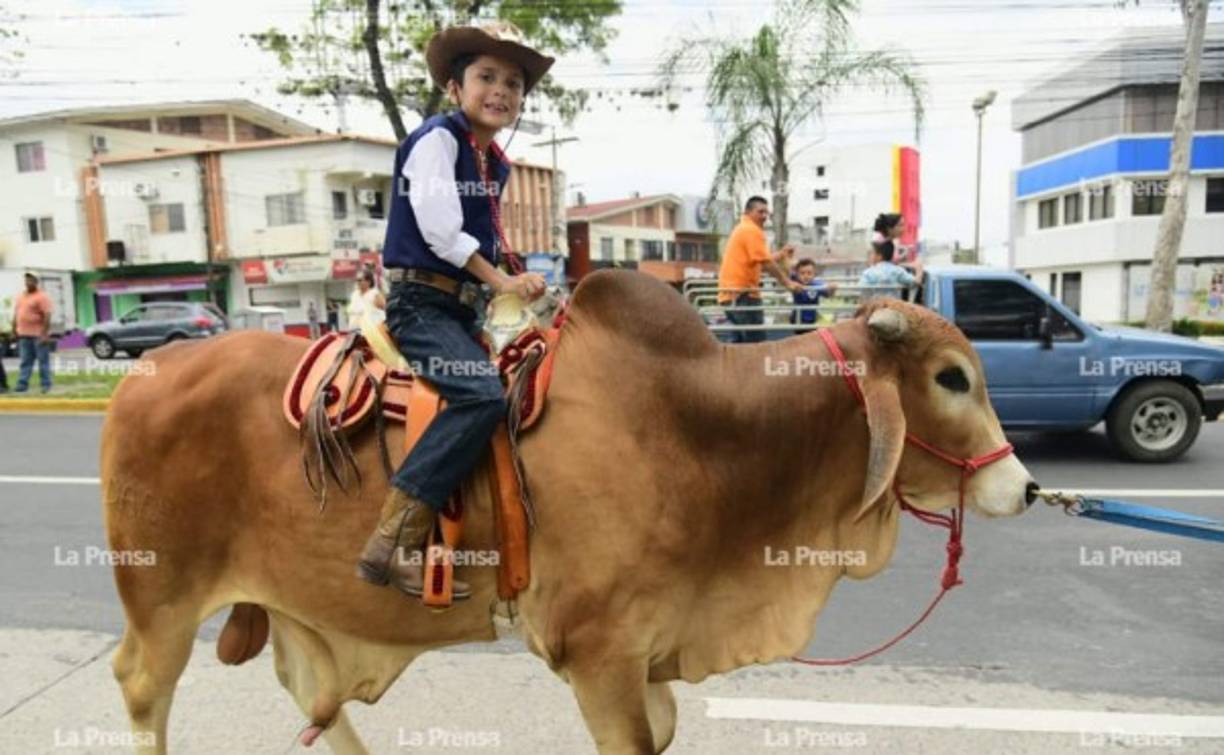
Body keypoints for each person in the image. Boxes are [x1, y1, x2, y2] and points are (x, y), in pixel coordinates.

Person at [356, 21, 552, 599]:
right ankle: (390, 544)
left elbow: (483, 241)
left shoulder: (495, 163)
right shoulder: (437, 140)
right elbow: (442, 233)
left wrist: (513, 282)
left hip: (461, 308)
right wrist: (503, 281)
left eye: (513, 83)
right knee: (481, 394)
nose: (501, 91)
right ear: (453, 88)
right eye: (486, 77)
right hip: (422, 305)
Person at [717, 196, 804, 343]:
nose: (765, 216)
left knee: (742, 347)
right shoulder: (751, 230)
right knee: (757, 347)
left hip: (731, 297)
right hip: (743, 297)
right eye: (760, 212)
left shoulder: (742, 228)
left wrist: (781, 254)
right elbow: (765, 263)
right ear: (748, 212)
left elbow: (760, 260)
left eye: (766, 213)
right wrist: (788, 283)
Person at [13, 272, 54, 394]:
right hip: (23, 334)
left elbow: (47, 315)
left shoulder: (42, 297)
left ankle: (45, 384)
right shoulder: (21, 296)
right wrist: (14, 328)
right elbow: (17, 313)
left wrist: (44, 334)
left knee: (43, 361)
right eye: (26, 280)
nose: (28, 282)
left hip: (38, 335)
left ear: (36, 282)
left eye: (31, 280)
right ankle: (22, 383)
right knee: (25, 360)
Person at [859, 239, 923, 299]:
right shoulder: (898, 271)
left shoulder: (868, 273)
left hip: (875, 307)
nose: (870, 256)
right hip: (893, 307)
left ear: (879, 256)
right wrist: (919, 269)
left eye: (872, 253)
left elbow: (862, 291)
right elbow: (915, 282)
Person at [789, 258, 837, 334]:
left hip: (811, 320)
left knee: (810, 340)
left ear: (814, 274)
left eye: (809, 273)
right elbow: (785, 271)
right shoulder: (795, 281)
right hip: (798, 319)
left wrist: (832, 289)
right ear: (797, 274)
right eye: (802, 273)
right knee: (800, 339)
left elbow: (828, 295)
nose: (806, 276)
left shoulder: (817, 284)